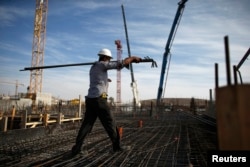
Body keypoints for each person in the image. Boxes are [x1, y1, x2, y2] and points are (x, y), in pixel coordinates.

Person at [71, 48, 142, 156]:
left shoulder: (94, 67)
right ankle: (117, 147)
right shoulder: (102, 64)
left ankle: (77, 149)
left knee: (87, 125)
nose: (109, 61)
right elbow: (120, 64)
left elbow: (97, 79)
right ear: (104, 58)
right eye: (108, 59)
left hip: (91, 99)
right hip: (99, 100)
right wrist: (132, 58)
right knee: (110, 123)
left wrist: (105, 80)